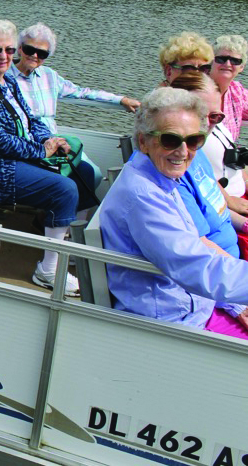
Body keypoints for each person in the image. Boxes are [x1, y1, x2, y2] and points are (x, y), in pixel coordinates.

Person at [0, 20, 98, 296]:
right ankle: (48, 269)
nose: (4, 56)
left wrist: (48, 139)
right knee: (64, 189)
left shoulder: (6, 81)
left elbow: (31, 120)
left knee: (85, 174)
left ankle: (64, 244)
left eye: (8, 49)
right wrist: (42, 152)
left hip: (8, 160)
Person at [101, 87, 248, 339]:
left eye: (194, 141)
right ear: (143, 141)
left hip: (197, 306)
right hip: (176, 323)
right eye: (170, 139)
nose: (183, 151)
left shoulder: (162, 178)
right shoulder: (144, 196)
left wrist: (235, 304)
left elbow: (198, 251)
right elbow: (196, 268)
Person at [7, 22, 139, 185]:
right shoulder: (3, 77)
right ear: (19, 48)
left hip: (56, 143)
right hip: (28, 146)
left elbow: (83, 93)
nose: (34, 56)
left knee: (94, 175)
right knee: (62, 183)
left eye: (42, 53)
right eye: (29, 49)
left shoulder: (50, 76)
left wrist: (121, 100)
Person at [172, 72, 248, 255]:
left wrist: (245, 224)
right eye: (199, 114)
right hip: (222, 267)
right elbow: (199, 245)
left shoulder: (197, 154)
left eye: (216, 116)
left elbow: (217, 209)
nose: (207, 123)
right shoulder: (172, 170)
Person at [209, 34, 248, 139]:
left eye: (235, 61)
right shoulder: (197, 88)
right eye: (222, 59)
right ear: (212, 61)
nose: (227, 64)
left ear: (241, 67)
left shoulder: (237, 91)